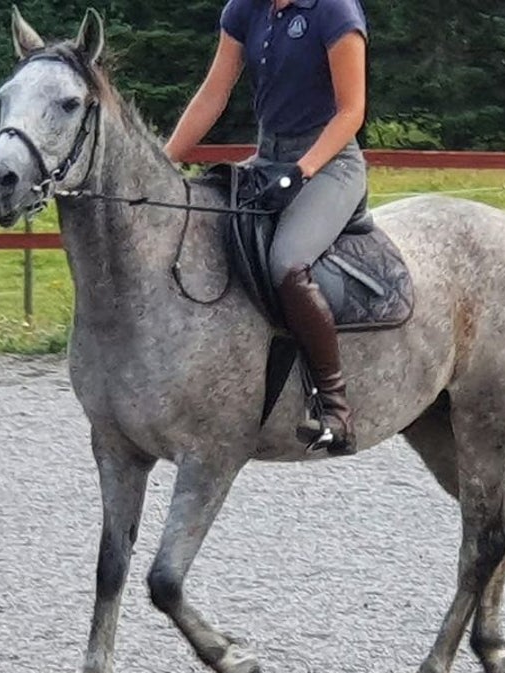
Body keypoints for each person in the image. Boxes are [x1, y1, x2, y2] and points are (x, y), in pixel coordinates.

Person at [164, 0, 369, 456]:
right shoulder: (244, 9)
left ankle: (336, 409)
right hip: (268, 157)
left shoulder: (333, 10)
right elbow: (213, 94)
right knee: (207, 236)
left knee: (287, 263)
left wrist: (303, 170)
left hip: (331, 163)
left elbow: (351, 111)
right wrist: (165, 161)